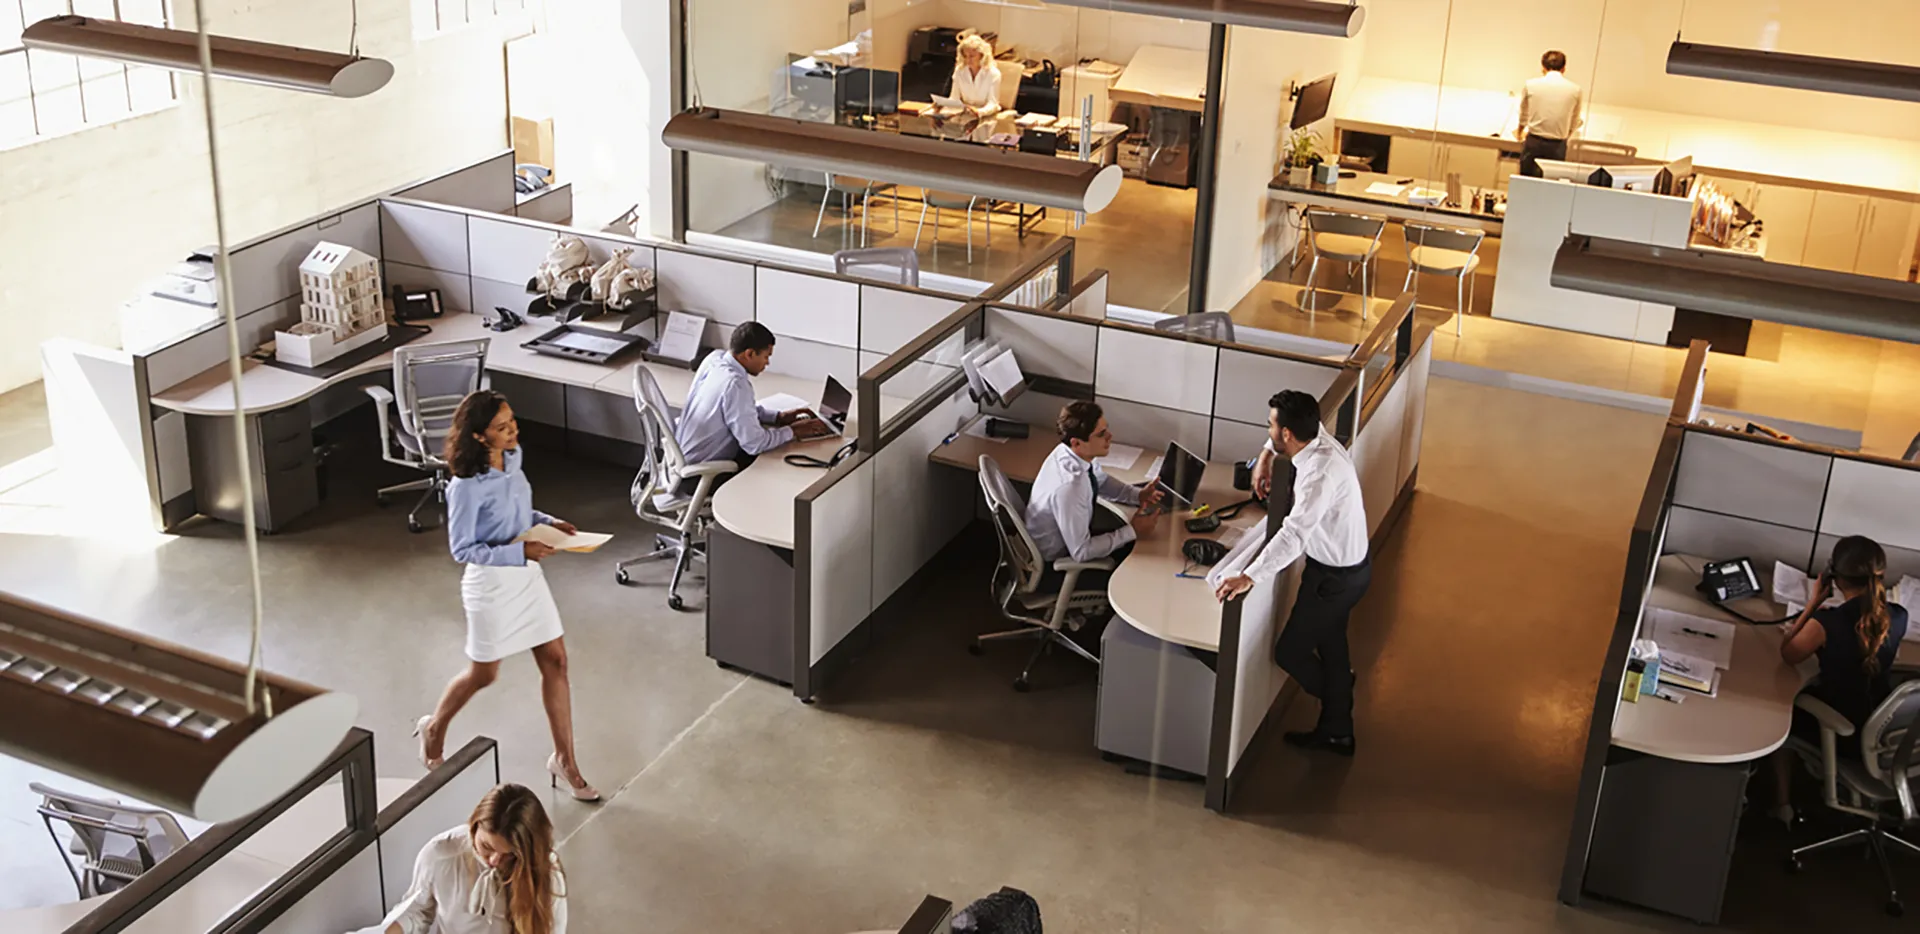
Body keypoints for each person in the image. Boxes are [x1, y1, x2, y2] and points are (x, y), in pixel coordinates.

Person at [415, 391, 599, 803]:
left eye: (512, 421)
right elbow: (462, 549)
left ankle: (565, 761)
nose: (513, 430)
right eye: (502, 427)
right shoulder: (465, 487)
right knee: (484, 674)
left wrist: (549, 522)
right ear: (480, 437)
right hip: (492, 583)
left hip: (527, 576)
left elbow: (519, 513)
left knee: (557, 661)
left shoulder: (513, 459)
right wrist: (520, 551)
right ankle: (434, 727)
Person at [1212, 390, 1370, 755]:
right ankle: (1337, 730)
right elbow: (1281, 436)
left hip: (1334, 578)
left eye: (1271, 426)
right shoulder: (1317, 439)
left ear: (1286, 433)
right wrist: (1266, 455)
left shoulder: (1318, 475)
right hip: (1351, 569)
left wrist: (1249, 575)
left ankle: (1338, 697)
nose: (1268, 428)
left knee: (1290, 653)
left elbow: (1295, 535)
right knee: (1332, 644)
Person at [1770, 535, 1909, 822]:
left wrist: (1812, 604)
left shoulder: (1826, 623)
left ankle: (1782, 805)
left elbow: (1789, 655)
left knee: (1781, 715)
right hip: (1882, 731)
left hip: (1845, 733)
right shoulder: (1898, 615)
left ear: (1835, 577)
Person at [366, 783, 568, 934]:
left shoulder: (546, 873)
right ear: (474, 825)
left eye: (510, 855)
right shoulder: (441, 854)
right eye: (487, 847)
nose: (494, 861)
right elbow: (418, 910)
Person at [674, 322, 830, 496]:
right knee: (775, 464)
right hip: (700, 475)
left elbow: (737, 409)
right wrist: (794, 431)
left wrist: (778, 417)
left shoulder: (715, 359)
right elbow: (754, 444)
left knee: (774, 444)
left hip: (681, 462)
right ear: (749, 354)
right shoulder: (736, 384)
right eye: (765, 356)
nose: (767, 363)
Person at [1024, 401, 1163, 591]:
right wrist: (1133, 530)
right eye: (1101, 434)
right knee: (1138, 572)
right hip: (1057, 566)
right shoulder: (1069, 486)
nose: (1110, 436)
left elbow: (1100, 480)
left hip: (1071, 542)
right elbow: (1081, 552)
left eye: (1107, 429)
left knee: (1134, 549)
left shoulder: (1071, 454)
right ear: (1077, 443)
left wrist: (1137, 495)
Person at [1515, 50, 1583, 177]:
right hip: (1557, 145)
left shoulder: (1530, 85)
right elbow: (1575, 120)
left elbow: (1523, 115)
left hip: (1533, 142)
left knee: (1526, 183)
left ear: (1543, 68)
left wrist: (1519, 133)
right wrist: (1565, 135)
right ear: (1564, 69)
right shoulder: (1576, 90)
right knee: (1550, 187)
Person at [948, 34, 1002, 116]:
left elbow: (993, 103)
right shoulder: (960, 71)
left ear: (982, 55)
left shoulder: (993, 73)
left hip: (986, 116)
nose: (968, 60)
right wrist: (943, 105)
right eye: (965, 56)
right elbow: (954, 98)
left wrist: (979, 112)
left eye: (972, 56)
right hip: (964, 115)